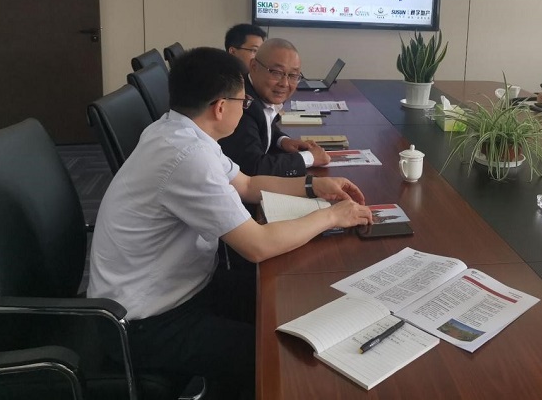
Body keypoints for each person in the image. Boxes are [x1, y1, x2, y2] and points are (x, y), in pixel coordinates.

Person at [88, 47, 372, 399]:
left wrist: (313, 186)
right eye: (244, 101)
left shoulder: (179, 130)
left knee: (291, 304)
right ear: (221, 107)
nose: (246, 106)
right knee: (278, 353)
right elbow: (257, 246)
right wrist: (331, 216)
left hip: (183, 287)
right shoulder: (188, 157)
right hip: (145, 323)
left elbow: (248, 185)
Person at [220, 37, 331, 176]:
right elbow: (252, 167)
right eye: (276, 73)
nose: (284, 83)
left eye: (293, 75)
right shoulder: (240, 104)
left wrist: (282, 141)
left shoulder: (261, 93)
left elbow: (263, 126)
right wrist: (310, 158)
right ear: (254, 67)